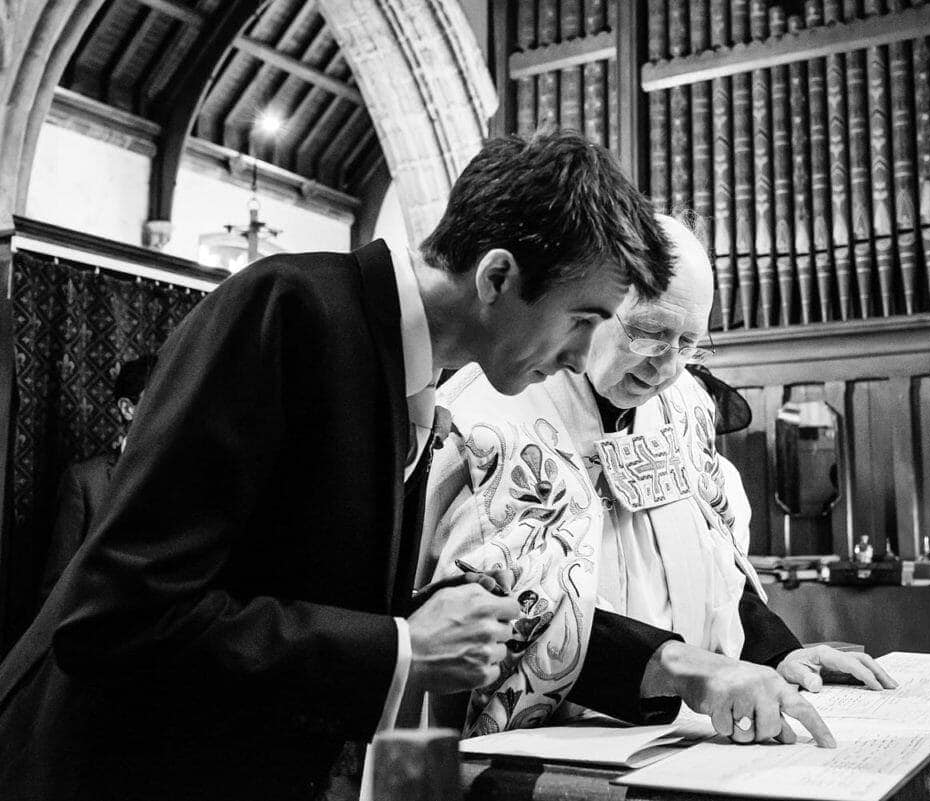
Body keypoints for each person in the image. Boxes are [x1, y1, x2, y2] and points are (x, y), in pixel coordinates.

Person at [0, 131, 675, 801]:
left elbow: (297, 582)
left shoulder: (415, 377)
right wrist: (400, 647)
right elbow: (115, 619)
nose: (584, 357)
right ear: (496, 277)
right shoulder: (288, 310)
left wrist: (444, 614)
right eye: (582, 320)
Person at [422, 215, 893, 746]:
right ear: (594, 308)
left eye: (689, 342)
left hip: (685, 733)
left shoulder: (682, 403)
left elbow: (712, 552)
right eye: (650, 333)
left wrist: (778, 654)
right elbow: (507, 612)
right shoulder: (493, 413)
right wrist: (681, 668)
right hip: (550, 747)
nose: (667, 366)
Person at [38, 353, 157, 605]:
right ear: (127, 408)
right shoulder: (85, 481)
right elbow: (56, 589)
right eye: (160, 396)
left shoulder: (188, 476)